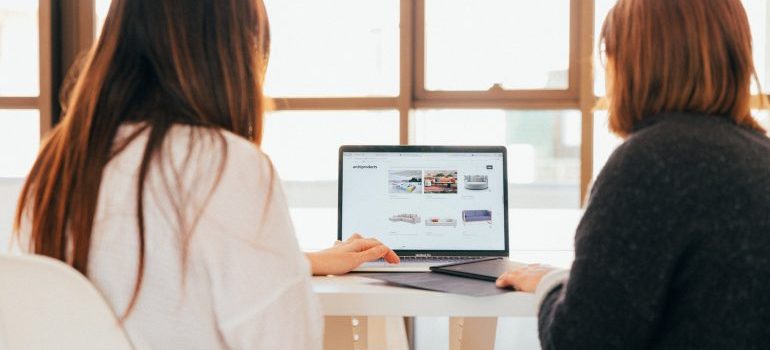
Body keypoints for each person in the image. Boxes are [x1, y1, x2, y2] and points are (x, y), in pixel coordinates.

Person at [13, 0, 397, 349]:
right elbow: (288, 340)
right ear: (229, 52)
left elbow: (143, 279)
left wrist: (300, 262)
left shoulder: (57, 164)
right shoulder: (224, 164)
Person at [496, 0, 770, 348]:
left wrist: (550, 285)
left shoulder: (649, 163)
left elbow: (579, 340)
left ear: (631, 62)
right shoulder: (761, 155)